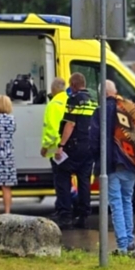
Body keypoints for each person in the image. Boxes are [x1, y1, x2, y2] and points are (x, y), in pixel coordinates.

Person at [90, 80, 135, 254]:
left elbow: (94, 141)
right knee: (127, 201)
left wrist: (96, 159)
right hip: (132, 164)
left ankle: (122, 246)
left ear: (102, 94)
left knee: (116, 204)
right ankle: (129, 242)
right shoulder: (130, 108)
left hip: (112, 164)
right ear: (115, 91)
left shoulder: (100, 112)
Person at [55, 72, 97, 229]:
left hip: (74, 145)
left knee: (62, 176)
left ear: (73, 85)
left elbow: (70, 124)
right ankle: (84, 215)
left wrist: (61, 145)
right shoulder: (93, 101)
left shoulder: (74, 100)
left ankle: (65, 216)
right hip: (90, 146)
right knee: (84, 180)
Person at [41, 77, 71, 222]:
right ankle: (68, 208)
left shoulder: (53, 104)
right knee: (69, 180)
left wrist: (45, 147)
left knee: (61, 182)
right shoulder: (70, 101)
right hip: (70, 147)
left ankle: (63, 211)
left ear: (53, 90)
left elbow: (51, 130)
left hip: (56, 149)